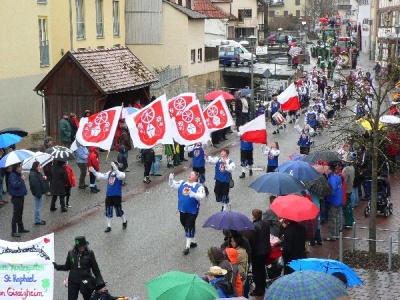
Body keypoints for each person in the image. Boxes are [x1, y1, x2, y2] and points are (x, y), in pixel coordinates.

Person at [53, 236, 103, 300]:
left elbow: (96, 270)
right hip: (73, 281)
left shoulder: (90, 253)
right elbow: (67, 266)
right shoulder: (71, 253)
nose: (82, 248)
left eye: (83, 246)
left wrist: (101, 285)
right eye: (80, 247)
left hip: (86, 281)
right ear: (76, 247)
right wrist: (57, 267)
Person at [169, 171, 205, 255]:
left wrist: (193, 194)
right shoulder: (182, 183)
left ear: (195, 178)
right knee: (184, 223)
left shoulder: (199, 187)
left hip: (192, 211)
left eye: (192, 174)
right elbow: (173, 186)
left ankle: (187, 247)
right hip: (183, 209)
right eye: (190, 174)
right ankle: (193, 241)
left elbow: (201, 196)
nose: (189, 175)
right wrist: (171, 179)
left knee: (188, 226)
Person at [90, 162, 128, 233]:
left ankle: (124, 221)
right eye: (113, 165)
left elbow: (120, 176)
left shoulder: (121, 173)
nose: (114, 167)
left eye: (116, 165)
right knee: (108, 210)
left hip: (117, 195)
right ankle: (109, 226)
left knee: (118, 210)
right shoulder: (109, 173)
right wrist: (94, 171)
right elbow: (100, 176)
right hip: (109, 195)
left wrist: (116, 169)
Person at [250, 209, 271, 297]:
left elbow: (253, 240)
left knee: (256, 271)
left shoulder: (254, 226)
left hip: (258, 252)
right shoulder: (266, 224)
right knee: (262, 269)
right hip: (266, 250)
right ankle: (263, 285)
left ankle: (259, 289)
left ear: (254, 216)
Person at [9, 162, 29, 237]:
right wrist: (21, 179)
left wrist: (21, 178)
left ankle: (21, 228)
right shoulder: (12, 175)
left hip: (21, 195)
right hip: (16, 196)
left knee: (20, 213)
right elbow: (15, 185)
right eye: (20, 166)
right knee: (16, 214)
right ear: (17, 167)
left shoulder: (18, 174)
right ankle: (13, 231)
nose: (21, 167)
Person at [325, 162, 343, 241]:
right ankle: (337, 233)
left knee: (332, 218)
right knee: (337, 217)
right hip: (339, 200)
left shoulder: (332, 179)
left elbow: (331, 191)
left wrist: (327, 198)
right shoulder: (338, 177)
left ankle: (332, 235)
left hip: (333, 201)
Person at [28, 161, 47, 225]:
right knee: (37, 207)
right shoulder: (33, 174)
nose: (40, 167)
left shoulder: (37, 173)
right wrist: (39, 194)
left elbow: (39, 181)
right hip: (38, 193)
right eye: (39, 166)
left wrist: (43, 177)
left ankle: (38, 219)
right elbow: (35, 185)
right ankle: (37, 220)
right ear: (36, 166)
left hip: (40, 192)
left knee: (38, 206)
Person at [342, 156, 355, 228]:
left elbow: (344, 180)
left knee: (346, 206)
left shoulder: (346, 170)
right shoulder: (352, 168)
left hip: (346, 190)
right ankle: (351, 219)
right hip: (349, 189)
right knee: (349, 205)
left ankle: (348, 222)